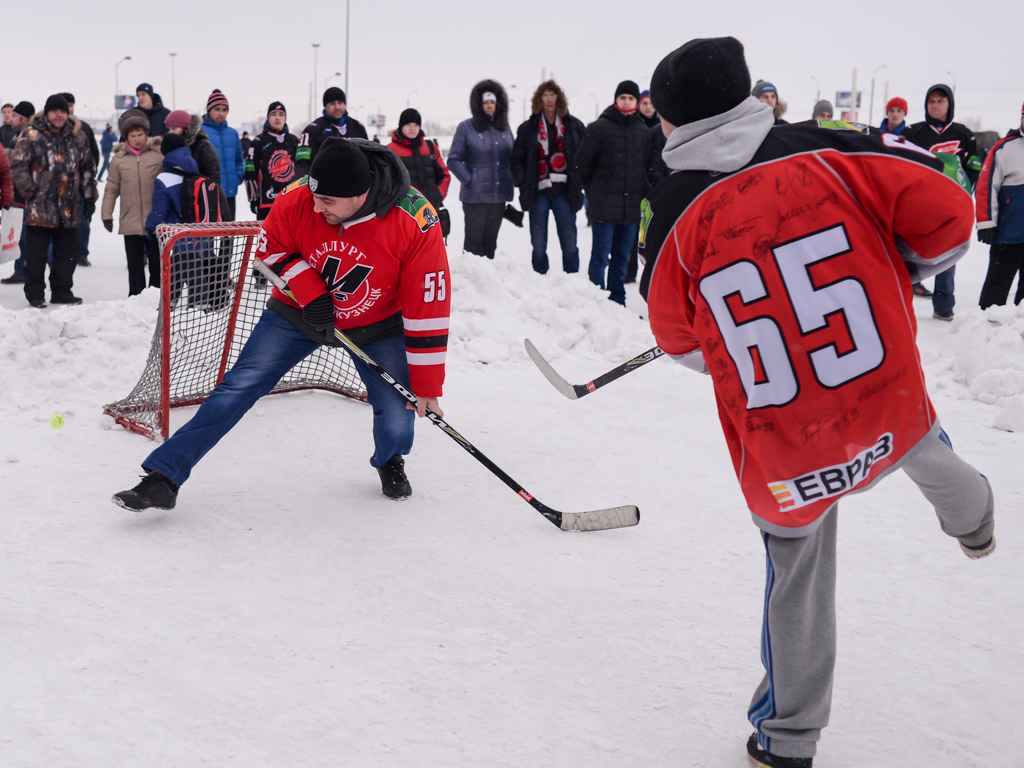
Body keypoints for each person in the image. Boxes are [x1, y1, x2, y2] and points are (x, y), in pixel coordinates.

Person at [642, 37, 994, 768]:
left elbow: (675, 338)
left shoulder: (675, 206)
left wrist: (744, 352)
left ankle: (788, 737)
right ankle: (975, 518)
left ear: (675, 123)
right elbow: (953, 213)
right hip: (879, 388)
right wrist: (897, 266)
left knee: (796, 569)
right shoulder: (829, 147)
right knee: (915, 438)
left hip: (785, 433)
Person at [112, 137, 450, 509]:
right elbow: (270, 247)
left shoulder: (414, 218)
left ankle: (390, 459)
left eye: (328, 202)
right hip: (299, 313)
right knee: (237, 386)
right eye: (315, 197)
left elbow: (428, 301)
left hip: (378, 322)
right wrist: (313, 295)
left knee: (397, 415)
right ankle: (165, 476)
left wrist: (427, 385)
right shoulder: (299, 196)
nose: (317, 208)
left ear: (360, 194)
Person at [9, 94, 97, 307]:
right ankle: (35, 294)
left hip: (69, 208)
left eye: (63, 111)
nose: (60, 115)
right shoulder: (31, 134)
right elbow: (18, 166)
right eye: (55, 111)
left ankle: (62, 291)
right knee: (36, 256)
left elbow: (88, 168)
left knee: (67, 255)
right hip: (39, 209)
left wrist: (89, 196)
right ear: (47, 112)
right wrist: (32, 193)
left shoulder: (78, 136)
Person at [905, 85, 982, 320]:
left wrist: (961, 193)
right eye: (931, 101)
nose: (935, 105)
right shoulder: (913, 132)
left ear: (949, 104)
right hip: (919, 204)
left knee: (947, 254)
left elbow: (975, 166)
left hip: (950, 206)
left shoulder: (963, 133)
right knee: (908, 253)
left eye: (940, 101)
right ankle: (901, 300)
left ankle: (943, 305)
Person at [576, 80, 650, 305]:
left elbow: (648, 169)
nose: (626, 102)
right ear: (616, 99)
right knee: (600, 258)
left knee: (622, 259)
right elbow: (581, 164)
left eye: (631, 98)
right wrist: (593, 193)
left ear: (636, 102)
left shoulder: (643, 132)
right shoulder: (599, 128)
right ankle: (595, 299)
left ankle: (617, 300)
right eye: (623, 97)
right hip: (603, 208)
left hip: (630, 211)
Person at [509, 80, 585, 274]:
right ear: (539, 100)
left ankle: (572, 282)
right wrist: (523, 180)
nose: (549, 100)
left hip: (565, 193)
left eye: (553, 95)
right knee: (538, 244)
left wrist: (581, 180)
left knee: (569, 243)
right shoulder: (528, 128)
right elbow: (516, 159)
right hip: (538, 193)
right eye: (545, 96)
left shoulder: (573, 126)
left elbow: (585, 156)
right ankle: (540, 281)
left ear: (559, 99)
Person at [448, 80, 515, 259]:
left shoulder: (505, 128)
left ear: (498, 104)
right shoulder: (466, 128)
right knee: (473, 244)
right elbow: (453, 159)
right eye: (485, 102)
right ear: (478, 104)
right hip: (475, 198)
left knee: (490, 243)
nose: (489, 106)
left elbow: (513, 157)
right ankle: (470, 282)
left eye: (492, 102)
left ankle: (487, 282)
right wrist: (471, 180)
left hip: (498, 196)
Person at [101, 108, 163, 295]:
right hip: (130, 218)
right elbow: (111, 188)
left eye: (141, 134)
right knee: (135, 264)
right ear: (126, 137)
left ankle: (156, 298)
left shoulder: (157, 155)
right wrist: (106, 214)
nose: (138, 138)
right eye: (133, 135)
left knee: (156, 264)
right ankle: (136, 297)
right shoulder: (118, 160)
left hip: (155, 220)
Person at [146, 132, 210, 308]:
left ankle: (199, 307)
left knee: (191, 270)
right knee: (179, 267)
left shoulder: (164, 178)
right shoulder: (194, 171)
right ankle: (171, 302)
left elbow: (160, 212)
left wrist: (150, 227)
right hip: (200, 231)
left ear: (164, 153)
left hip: (178, 233)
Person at [975, 101, 1024, 308]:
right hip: (1008, 234)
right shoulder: (1004, 147)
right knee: (996, 289)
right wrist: (986, 223)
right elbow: (986, 186)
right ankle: (986, 329)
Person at [386, 108, 451, 237]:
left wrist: (437, 196)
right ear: (401, 126)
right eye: (408, 125)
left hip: (431, 210)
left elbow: (444, 175)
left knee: (432, 250)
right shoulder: (390, 150)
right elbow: (387, 183)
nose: (412, 128)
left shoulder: (431, 147)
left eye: (416, 125)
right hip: (405, 213)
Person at [295, 87, 369, 177]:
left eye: (340, 103)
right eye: (332, 103)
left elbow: (368, 158)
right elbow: (302, 164)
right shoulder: (312, 129)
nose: (337, 107)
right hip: (324, 185)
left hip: (355, 184)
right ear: (325, 106)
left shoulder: (358, 127)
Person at [245, 101, 300, 221]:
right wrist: (253, 199)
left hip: (291, 202)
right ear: (268, 118)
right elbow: (250, 172)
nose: (277, 118)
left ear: (285, 118)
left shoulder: (294, 140)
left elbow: (302, 171)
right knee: (268, 238)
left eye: (281, 114)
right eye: (274, 114)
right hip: (266, 202)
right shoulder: (259, 141)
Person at [62, 93, 99, 267]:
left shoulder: (83, 127)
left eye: (70, 104)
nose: (68, 108)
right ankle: (56, 256)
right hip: (59, 189)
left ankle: (81, 253)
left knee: (83, 222)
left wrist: (87, 176)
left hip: (80, 187)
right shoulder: (49, 129)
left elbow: (94, 155)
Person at [0, 102, 35, 285]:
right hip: (19, 193)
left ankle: (22, 272)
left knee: (24, 235)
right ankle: (21, 270)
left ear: (22, 118)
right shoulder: (17, 134)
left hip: (24, 194)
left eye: (13, 115)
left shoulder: (28, 136)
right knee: (22, 235)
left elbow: (14, 163)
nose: (9, 118)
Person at [202, 89, 244, 220]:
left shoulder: (233, 133)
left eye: (224, 109)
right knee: (208, 233)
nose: (221, 113)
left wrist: (238, 177)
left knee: (229, 232)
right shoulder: (200, 132)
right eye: (217, 109)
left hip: (230, 191)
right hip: (208, 192)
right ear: (209, 110)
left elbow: (239, 159)